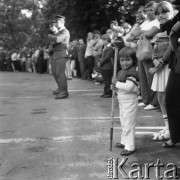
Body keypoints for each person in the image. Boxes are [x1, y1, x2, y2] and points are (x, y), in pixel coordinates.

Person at [149, 1, 174, 141]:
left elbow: (172, 48)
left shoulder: (173, 28)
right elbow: (154, 50)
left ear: (171, 13)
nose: (160, 15)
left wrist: (160, 64)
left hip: (168, 67)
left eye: (164, 12)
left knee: (169, 98)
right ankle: (168, 127)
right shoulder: (160, 30)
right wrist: (154, 60)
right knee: (161, 97)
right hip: (159, 67)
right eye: (157, 13)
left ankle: (172, 129)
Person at [112, 47, 139, 156]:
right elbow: (120, 87)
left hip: (130, 101)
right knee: (123, 122)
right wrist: (114, 88)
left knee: (128, 124)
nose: (124, 62)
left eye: (127, 60)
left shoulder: (132, 72)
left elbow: (129, 87)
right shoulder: (120, 72)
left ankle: (130, 146)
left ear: (133, 60)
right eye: (122, 60)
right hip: (122, 101)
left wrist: (116, 84)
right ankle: (124, 142)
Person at [161, 0, 180, 148]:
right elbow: (172, 33)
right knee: (171, 100)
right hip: (177, 65)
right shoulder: (175, 18)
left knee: (171, 99)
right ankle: (175, 136)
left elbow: (173, 33)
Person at [136, 1, 160, 111]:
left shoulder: (157, 21)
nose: (149, 12)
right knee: (142, 77)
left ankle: (154, 102)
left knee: (151, 77)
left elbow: (150, 34)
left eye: (151, 10)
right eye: (147, 10)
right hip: (141, 50)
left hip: (151, 50)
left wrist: (142, 32)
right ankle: (146, 100)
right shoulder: (145, 23)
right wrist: (143, 32)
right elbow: (134, 34)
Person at [48, 14, 70, 99]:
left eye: (57, 22)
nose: (55, 24)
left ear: (61, 22)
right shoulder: (60, 32)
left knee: (60, 73)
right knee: (57, 73)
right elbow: (54, 43)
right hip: (57, 54)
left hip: (61, 54)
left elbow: (57, 39)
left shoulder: (65, 31)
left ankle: (64, 92)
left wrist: (50, 36)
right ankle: (61, 89)